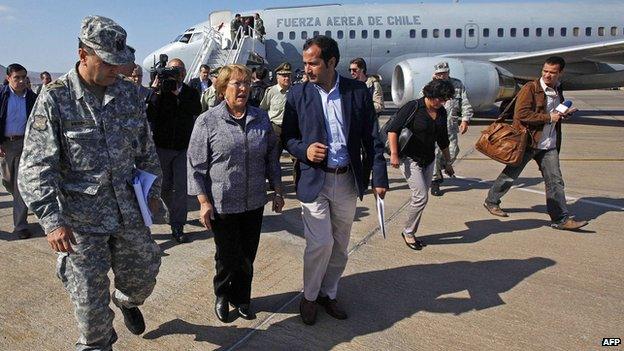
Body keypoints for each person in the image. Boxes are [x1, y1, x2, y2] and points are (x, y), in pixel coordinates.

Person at [18, 16, 163, 350]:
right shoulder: (55, 98)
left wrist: (153, 193)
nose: (117, 69)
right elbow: (36, 165)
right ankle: (99, 338)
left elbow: (145, 149)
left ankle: (126, 301)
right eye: (108, 62)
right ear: (83, 54)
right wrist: (52, 220)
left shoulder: (128, 95)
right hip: (81, 224)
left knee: (143, 277)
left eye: (120, 62)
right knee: (90, 311)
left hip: (128, 212)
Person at [282, 35, 388, 325]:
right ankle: (309, 296)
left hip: (346, 181)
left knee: (340, 245)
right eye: (304, 63)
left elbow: (372, 140)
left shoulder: (358, 93)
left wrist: (380, 178)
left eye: (313, 63)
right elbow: (287, 139)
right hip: (314, 181)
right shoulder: (297, 95)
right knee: (321, 243)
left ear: (331, 62)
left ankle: (329, 293)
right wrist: (305, 150)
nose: (307, 69)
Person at [188, 64, 284, 323]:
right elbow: (196, 166)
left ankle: (242, 298)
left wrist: (277, 190)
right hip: (223, 203)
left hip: (254, 201)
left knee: (247, 256)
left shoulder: (260, 118)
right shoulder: (207, 121)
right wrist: (203, 202)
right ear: (222, 89)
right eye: (236, 84)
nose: (243, 89)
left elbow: (271, 158)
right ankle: (222, 294)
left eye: (246, 83)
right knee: (227, 256)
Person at [484, 56, 588, 231]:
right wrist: (549, 118)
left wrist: (563, 114)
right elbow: (522, 115)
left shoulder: (557, 89)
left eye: (552, 72)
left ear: (560, 73)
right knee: (510, 175)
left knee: (555, 181)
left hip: (549, 144)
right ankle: (491, 200)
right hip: (529, 141)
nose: (547, 75)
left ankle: (560, 219)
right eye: (545, 71)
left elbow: (554, 113)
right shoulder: (530, 88)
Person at [387, 79, 456, 250]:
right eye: (439, 98)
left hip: (429, 159)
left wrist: (447, 162)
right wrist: (394, 154)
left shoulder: (441, 113)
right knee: (421, 197)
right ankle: (408, 232)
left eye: (445, 99)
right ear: (430, 94)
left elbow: (443, 139)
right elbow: (393, 129)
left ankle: (411, 231)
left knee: (422, 199)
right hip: (410, 159)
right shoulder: (414, 107)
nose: (442, 102)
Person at [147, 58, 202, 243]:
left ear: (184, 73)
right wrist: (155, 90)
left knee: (180, 188)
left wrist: (178, 94)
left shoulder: (191, 92)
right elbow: (149, 113)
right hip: (162, 147)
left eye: (179, 69)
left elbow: (196, 109)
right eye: (172, 69)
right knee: (163, 188)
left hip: (182, 148)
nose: (176, 73)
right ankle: (172, 213)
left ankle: (178, 224)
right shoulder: (160, 93)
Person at [0, 63, 37, 239]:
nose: (21, 81)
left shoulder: (32, 98)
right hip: (6, 145)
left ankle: (20, 225)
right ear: (8, 78)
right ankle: (21, 201)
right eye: (17, 78)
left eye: (24, 77)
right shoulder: (2, 96)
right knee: (8, 180)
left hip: (26, 144)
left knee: (20, 183)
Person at [428, 61, 473, 196]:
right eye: (439, 74)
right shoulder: (430, 86)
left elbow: (465, 103)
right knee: (435, 152)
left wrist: (465, 120)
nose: (442, 76)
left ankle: (439, 168)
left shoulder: (457, 85)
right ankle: (435, 181)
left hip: (451, 126)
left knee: (453, 150)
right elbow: (422, 101)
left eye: (445, 73)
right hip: (434, 126)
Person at [260, 62, 291, 141]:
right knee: (275, 152)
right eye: (284, 76)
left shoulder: (294, 91)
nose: (287, 78)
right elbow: (262, 109)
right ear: (277, 77)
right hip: (275, 128)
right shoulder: (271, 91)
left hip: (290, 128)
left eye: (288, 76)